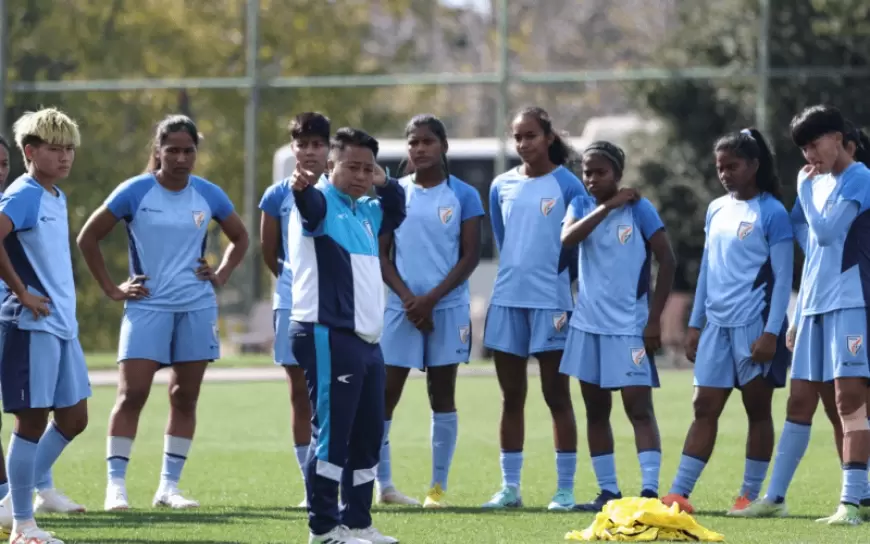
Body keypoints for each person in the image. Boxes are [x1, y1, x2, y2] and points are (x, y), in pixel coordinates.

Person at [76, 115, 249, 512]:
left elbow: (240, 237)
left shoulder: (208, 194)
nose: (181, 157)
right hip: (148, 305)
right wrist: (111, 288)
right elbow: (88, 236)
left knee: (184, 396)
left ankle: (168, 487)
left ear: (195, 153)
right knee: (131, 393)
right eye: (172, 150)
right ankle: (115, 487)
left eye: (188, 150)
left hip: (196, 306)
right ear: (158, 151)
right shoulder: (135, 191)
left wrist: (220, 273)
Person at [736, 105, 870, 525]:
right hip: (813, 305)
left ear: (837, 137)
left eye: (814, 144)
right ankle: (775, 497)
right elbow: (805, 236)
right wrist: (796, 313)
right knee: (798, 401)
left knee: (850, 400)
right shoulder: (817, 183)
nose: (809, 155)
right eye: (803, 149)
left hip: (850, 302)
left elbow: (829, 234)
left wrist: (804, 190)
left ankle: (852, 502)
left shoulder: (860, 178)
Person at [660, 129, 792, 515]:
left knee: (757, 410)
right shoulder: (716, 208)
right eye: (720, 167)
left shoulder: (772, 212)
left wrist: (771, 333)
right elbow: (707, 270)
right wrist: (695, 324)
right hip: (716, 327)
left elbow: (783, 278)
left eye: (732, 166)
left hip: (755, 325)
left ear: (753, 165)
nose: (725, 173)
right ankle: (678, 493)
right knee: (704, 406)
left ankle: (750, 495)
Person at [288, 127, 405, 544]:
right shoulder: (319, 202)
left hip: (367, 341)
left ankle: (357, 521)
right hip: (327, 332)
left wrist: (384, 180)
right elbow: (308, 203)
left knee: (369, 434)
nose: (359, 175)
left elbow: (396, 204)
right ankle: (322, 528)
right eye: (350, 166)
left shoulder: (367, 208)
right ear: (331, 165)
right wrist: (302, 188)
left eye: (367, 168)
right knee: (333, 434)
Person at [559, 141, 676, 511]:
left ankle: (649, 493)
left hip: (630, 326)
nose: (592, 179)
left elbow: (667, 260)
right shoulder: (580, 205)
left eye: (600, 172)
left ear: (618, 173)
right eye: (586, 173)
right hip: (588, 325)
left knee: (639, 409)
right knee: (596, 411)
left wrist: (654, 318)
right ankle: (608, 492)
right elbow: (567, 239)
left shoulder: (640, 209)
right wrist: (608, 206)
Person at [376, 114, 484, 508]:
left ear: (443, 146)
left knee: (442, 393)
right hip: (400, 309)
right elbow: (382, 253)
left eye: (427, 141)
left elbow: (470, 256)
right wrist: (409, 298)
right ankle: (384, 486)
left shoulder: (464, 195)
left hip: (447, 308)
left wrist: (431, 299)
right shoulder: (393, 193)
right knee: (385, 394)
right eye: (413, 142)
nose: (419, 149)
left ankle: (436, 489)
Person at [482, 106, 585, 511]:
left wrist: (562, 286)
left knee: (557, 396)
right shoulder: (500, 185)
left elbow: (575, 249)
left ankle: (564, 490)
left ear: (549, 137)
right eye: (517, 136)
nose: (523, 143)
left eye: (531, 135)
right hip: (508, 301)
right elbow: (504, 239)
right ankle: (510, 488)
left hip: (552, 304)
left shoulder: (569, 185)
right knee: (511, 397)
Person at [0, 108, 91, 544]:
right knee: (31, 423)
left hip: (62, 326)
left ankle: (13, 504)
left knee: (75, 417)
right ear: (30, 151)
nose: (65, 156)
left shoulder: (54, 195)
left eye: (69, 148)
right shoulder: (24, 194)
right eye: (55, 149)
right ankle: (23, 526)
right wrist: (20, 292)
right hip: (32, 326)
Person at [259, 112, 330, 508]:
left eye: (317, 144)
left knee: (335, 393)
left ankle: (346, 476)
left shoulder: (341, 188)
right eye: (302, 144)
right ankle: (310, 485)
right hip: (292, 303)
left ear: (328, 148)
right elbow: (270, 253)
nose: (309, 151)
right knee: (300, 396)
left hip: (337, 305)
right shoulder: (276, 194)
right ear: (293, 148)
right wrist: (294, 283)